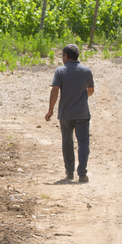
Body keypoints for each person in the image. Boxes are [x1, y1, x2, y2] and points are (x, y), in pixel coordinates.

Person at [45, 44, 95, 182]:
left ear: (65, 56)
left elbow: (54, 91)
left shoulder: (60, 71)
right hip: (82, 113)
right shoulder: (86, 70)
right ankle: (82, 173)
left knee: (67, 142)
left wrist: (50, 110)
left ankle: (69, 172)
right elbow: (90, 90)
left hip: (65, 114)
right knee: (83, 143)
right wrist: (80, 98)